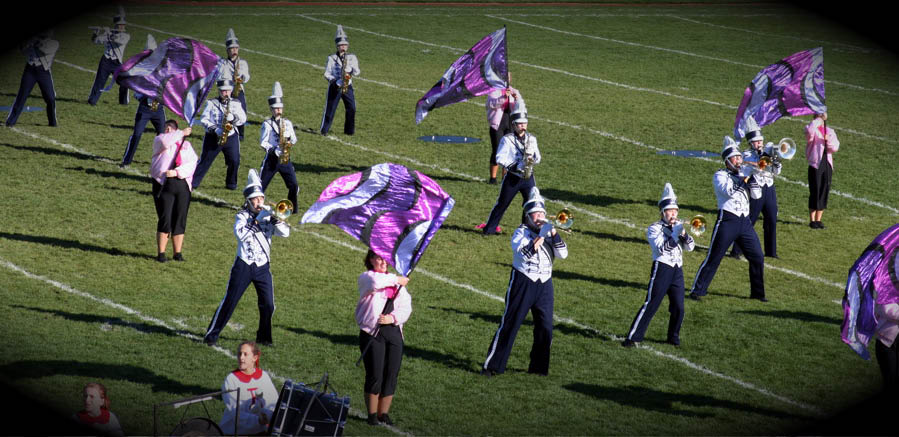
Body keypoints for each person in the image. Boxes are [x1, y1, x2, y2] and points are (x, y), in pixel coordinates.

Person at [482, 188, 567, 376]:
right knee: (511, 324)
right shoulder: (519, 233)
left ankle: (538, 368)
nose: (540, 217)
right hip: (523, 281)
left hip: (545, 284)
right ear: (527, 217)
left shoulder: (548, 233)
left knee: (545, 327)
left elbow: (563, 254)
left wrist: (553, 234)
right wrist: (540, 237)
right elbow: (525, 254)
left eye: (542, 214)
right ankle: (492, 366)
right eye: (536, 214)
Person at [204, 169, 289, 347]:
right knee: (230, 301)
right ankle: (211, 334)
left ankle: (264, 337)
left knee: (268, 305)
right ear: (248, 201)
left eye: (261, 199)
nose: (259, 202)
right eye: (256, 199)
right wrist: (258, 219)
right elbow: (241, 235)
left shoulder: (268, 215)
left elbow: (286, 233)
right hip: (243, 265)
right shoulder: (241, 216)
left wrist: (277, 221)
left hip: (263, 267)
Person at [688, 136, 766, 302]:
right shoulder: (720, 175)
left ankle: (758, 294)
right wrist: (744, 178)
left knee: (758, 256)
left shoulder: (745, 175)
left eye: (740, 157)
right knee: (714, 257)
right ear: (727, 160)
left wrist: (754, 178)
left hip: (744, 223)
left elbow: (757, 196)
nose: (739, 160)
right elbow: (729, 191)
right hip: (727, 221)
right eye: (735, 158)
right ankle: (697, 290)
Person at [622, 183, 694, 348]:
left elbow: (690, 247)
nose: (673, 214)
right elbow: (662, 249)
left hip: (677, 270)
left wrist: (683, 234)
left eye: (675, 211)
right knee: (652, 304)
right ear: (663, 212)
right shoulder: (654, 229)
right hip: (662, 268)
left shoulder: (678, 227)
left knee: (679, 307)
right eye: (670, 211)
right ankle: (633, 337)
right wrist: (676, 234)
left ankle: (673, 337)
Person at [356, 250, 412, 426]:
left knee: (391, 374)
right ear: (371, 260)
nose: (383, 262)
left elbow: (406, 307)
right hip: (373, 332)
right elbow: (375, 283)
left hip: (393, 332)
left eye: (385, 259)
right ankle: (372, 414)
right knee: (375, 374)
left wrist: (393, 318)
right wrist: (397, 280)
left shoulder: (397, 283)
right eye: (379, 258)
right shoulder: (367, 277)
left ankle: (383, 413)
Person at [477, 98, 540, 235]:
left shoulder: (532, 139)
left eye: (525, 123)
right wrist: (515, 166)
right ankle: (489, 229)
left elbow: (538, 157)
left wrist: (532, 159)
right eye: (520, 123)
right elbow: (500, 158)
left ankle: (527, 229)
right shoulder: (508, 139)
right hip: (512, 177)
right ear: (514, 124)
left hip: (528, 177)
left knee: (531, 204)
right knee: (502, 204)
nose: (523, 126)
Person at [730, 116, 780, 258]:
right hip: (755, 189)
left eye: (761, 141)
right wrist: (756, 163)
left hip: (769, 188)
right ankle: (736, 251)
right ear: (751, 143)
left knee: (771, 219)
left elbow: (776, 172)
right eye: (756, 142)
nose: (759, 143)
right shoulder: (746, 155)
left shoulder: (768, 153)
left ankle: (771, 252)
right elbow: (744, 172)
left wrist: (775, 163)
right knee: (749, 220)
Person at [150, 120, 197, 263]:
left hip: (181, 184)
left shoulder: (186, 145)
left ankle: (177, 253)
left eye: (170, 129)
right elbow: (165, 142)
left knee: (180, 218)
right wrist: (181, 133)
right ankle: (161, 253)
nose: (167, 131)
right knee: (165, 218)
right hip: (163, 184)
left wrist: (177, 172)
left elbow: (192, 162)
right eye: (166, 129)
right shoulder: (160, 140)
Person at [192, 78, 246, 190]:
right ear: (219, 91)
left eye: (227, 91)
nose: (225, 93)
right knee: (205, 160)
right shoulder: (212, 103)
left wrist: (233, 118)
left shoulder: (236, 103)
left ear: (231, 91)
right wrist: (215, 129)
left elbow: (243, 119)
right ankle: (193, 183)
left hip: (230, 136)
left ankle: (231, 184)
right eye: (222, 91)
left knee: (234, 160)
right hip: (213, 137)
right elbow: (204, 119)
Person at [120, 34, 165, 167]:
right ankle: (126, 161)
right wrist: (143, 96)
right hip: (145, 108)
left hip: (158, 109)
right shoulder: (140, 71)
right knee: (137, 134)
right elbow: (135, 92)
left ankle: (162, 162)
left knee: (163, 137)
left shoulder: (161, 69)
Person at [220, 341, 279, 435]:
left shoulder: (263, 376)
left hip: (260, 430)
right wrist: (257, 420)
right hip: (236, 432)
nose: (241, 357)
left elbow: (274, 403)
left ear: (254, 358)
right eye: (239, 354)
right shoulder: (231, 379)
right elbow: (235, 412)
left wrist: (268, 417)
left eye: (245, 354)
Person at [259, 81, 299, 214]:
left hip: (285, 159)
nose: (278, 111)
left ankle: (292, 208)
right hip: (271, 160)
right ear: (271, 109)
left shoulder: (287, 123)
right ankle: (251, 206)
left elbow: (294, 138)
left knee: (294, 184)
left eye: (280, 108)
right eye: (276, 108)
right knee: (261, 186)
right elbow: (263, 142)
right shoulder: (267, 124)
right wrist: (273, 150)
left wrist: (289, 143)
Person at [4, 30, 58, 127]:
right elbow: (23, 50)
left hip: (44, 72)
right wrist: (26, 44)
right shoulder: (34, 41)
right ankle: (10, 121)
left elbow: (42, 51)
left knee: (50, 98)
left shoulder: (54, 43)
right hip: (30, 70)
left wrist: (33, 42)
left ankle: (52, 122)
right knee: (22, 96)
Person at [319, 25, 360, 136]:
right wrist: (335, 81)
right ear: (337, 46)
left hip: (348, 85)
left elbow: (357, 71)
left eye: (345, 45)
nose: (343, 47)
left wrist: (349, 71)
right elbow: (327, 73)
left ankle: (349, 131)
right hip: (335, 87)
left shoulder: (352, 57)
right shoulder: (332, 58)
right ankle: (324, 130)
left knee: (352, 108)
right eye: (341, 45)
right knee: (330, 109)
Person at [87, 6, 130, 106]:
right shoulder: (109, 33)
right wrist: (96, 33)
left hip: (117, 62)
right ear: (116, 25)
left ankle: (123, 102)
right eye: (120, 25)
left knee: (124, 81)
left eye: (123, 25)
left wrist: (108, 34)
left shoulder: (126, 35)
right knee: (99, 81)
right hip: (106, 60)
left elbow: (118, 40)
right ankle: (92, 101)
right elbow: (95, 41)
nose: (122, 27)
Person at [805, 112, 840, 229]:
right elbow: (809, 132)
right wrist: (818, 120)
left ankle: (819, 220)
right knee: (815, 190)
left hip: (827, 163)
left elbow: (835, 147)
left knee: (824, 190)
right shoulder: (811, 128)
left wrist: (827, 140)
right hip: (816, 164)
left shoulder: (830, 131)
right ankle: (812, 220)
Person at [217, 28, 250, 142]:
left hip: (238, 90)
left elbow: (247, 76)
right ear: (227, 50)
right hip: (226, 91)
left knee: (242, 111)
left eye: (236, 48)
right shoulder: (223, 63)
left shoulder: (242, 63)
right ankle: (225, 133)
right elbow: (219, 77)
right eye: (231, 49)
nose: (234, 50)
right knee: (225, 112)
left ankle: (240, 135)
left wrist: (241, 78)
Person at [485, 87, 520, 184]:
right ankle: (493, 178)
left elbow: (518, 108)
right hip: (497, 125)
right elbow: (491, 104)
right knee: (497, 150)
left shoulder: (514, 90)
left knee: (508, 151)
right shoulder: (494, 91)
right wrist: (504, 97)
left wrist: (516, 99)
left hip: (510, 123)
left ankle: (505, 178)